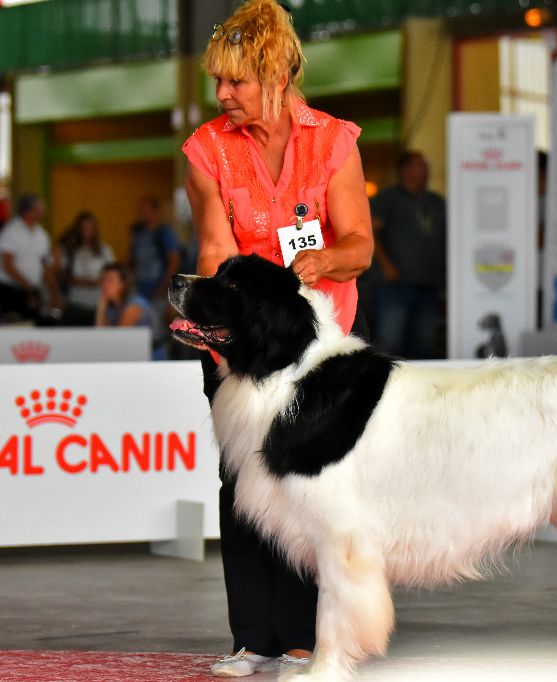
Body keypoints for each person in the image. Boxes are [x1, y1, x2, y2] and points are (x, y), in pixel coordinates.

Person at [181, 0, 374, 676]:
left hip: (320, 347)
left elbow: (360, 245)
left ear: (276, 72)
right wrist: (218, 344)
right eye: (217, 81)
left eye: (235, 81)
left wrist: (320, 261)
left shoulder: (335, 141)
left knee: (310, 485)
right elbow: (213, 246)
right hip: (240, 348)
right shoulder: (207, 149)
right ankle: (252, 637)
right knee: (242, 483)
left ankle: (305, 638)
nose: (222, 95)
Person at [370, 151, 447, 358]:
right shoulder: (388, 198)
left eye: (426, 166)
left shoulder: (436, 202)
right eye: (419, 166)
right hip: (395, 284)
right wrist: (386, 265)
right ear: (404, 170)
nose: (425, 171)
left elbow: (446, 239)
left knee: (424, 346)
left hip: (428, 284)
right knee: (390, 343)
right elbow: (370, 232)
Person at [0, 193, 63, 321]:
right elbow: (8, 265)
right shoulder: (12, 232)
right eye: (39, 209)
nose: (43, 212)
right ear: (28, 211)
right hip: (9, 290)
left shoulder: (42, 235)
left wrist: (54, 294)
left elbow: (45, 267)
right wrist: (29, 287)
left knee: (33, 323)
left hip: (30, 291)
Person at [129, 197, 180, 359]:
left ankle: (160, 362)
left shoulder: (164, 233)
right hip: (141, 290)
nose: (141, 213)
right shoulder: (139, 234)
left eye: (145, 208)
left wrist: (164, 287)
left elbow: (174, 260)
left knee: (158, 332)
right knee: (140, 330)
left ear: (155, 211)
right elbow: (133, 262)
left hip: (159, 290)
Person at [55, 211, 115, 326]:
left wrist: (99, 281)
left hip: (96, 303)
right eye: (83, 227)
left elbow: (112, 273)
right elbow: (62, 272)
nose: (86, 230)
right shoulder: (71, 250)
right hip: (75, 302)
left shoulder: (104, 251)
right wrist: (76, 280)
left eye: (89, 227)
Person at [95, 262, 156, 334]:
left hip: (154, 344)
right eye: (103, 280)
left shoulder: (135, 303)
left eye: (110, 280)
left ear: (122, 284)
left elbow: (119, 337)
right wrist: (101, 309)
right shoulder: (110, 307)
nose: (104, 284)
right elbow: (100, 335)